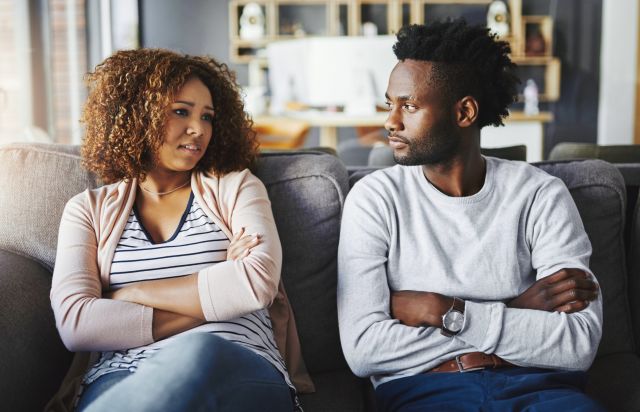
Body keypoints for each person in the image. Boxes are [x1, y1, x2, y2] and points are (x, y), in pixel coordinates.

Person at [337, 20, 604, 411]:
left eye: (408, 105)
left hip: (542, 388)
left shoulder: (539, 195)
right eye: (389, 104)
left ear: (464, 112)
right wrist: (515, 311)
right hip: (427, 392)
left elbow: (577, 343)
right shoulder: (375, 200)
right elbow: (364, 348)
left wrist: (444, 311)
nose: (390, 121)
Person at [49, 48, 302, 411]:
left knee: (198, 350)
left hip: (236, 360)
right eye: (181, 111)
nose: (198, 129)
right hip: (124, 371)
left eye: (208, 117)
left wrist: (129, 293)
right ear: (137, 115)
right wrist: (220, 292)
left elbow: (254, 285)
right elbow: (77, 324)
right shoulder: (86, 211)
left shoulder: (236, 188)